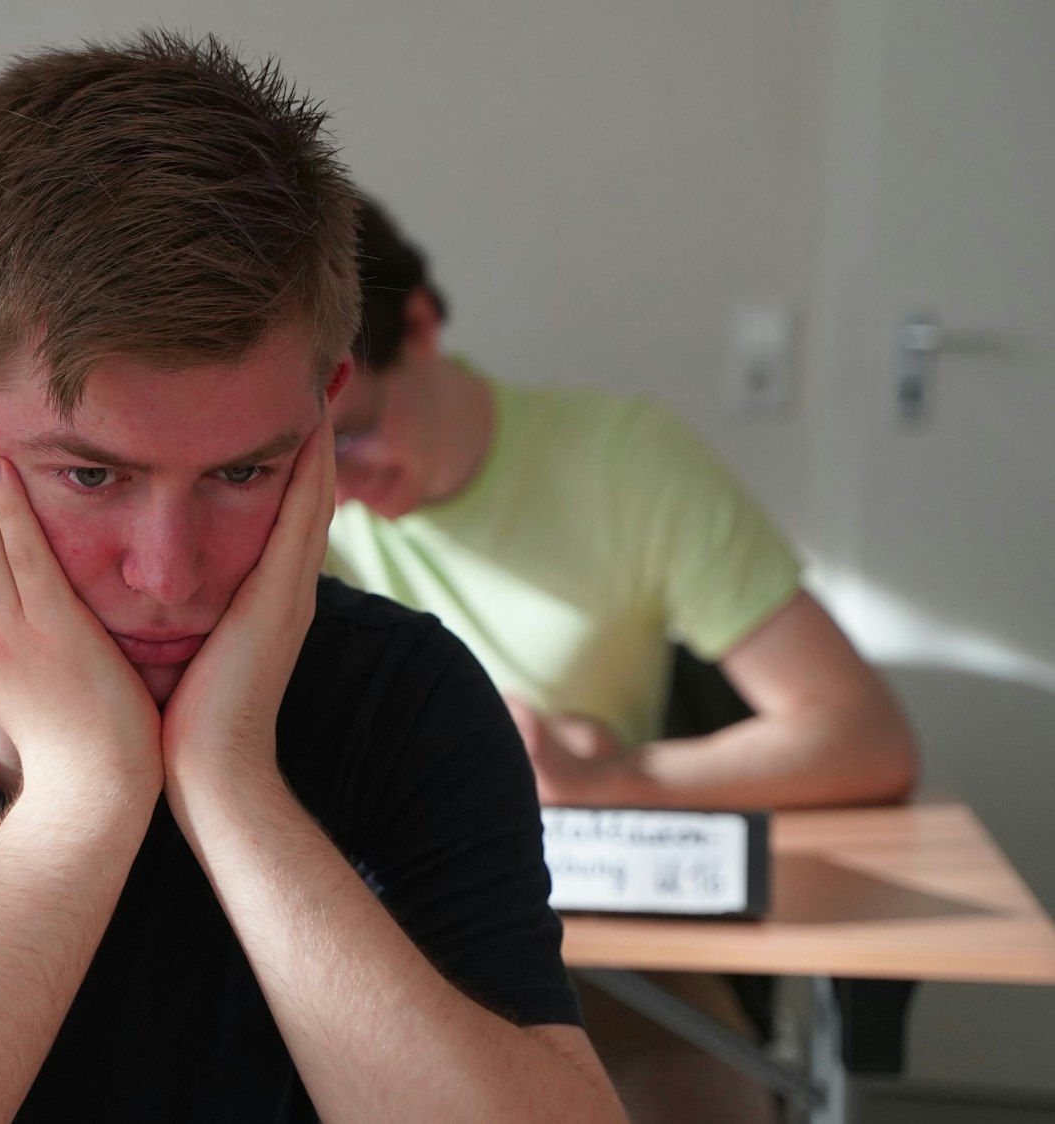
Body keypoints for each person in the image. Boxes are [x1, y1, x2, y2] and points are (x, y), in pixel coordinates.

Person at [0, 32, 624, 1124]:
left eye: (244, 470)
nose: (168, 573)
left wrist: (231, 779)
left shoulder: (406, 696)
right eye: (90, 473)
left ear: (323, 417)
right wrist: (85, 796)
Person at [324, 197, 921, 1122]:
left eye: (354, 433)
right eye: (300, 453)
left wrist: (613, 777)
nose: (335, 489)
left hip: (603, 953)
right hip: (368, 930)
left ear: (422, 326)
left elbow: (864, 736)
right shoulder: (289, 503)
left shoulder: (627, 464)